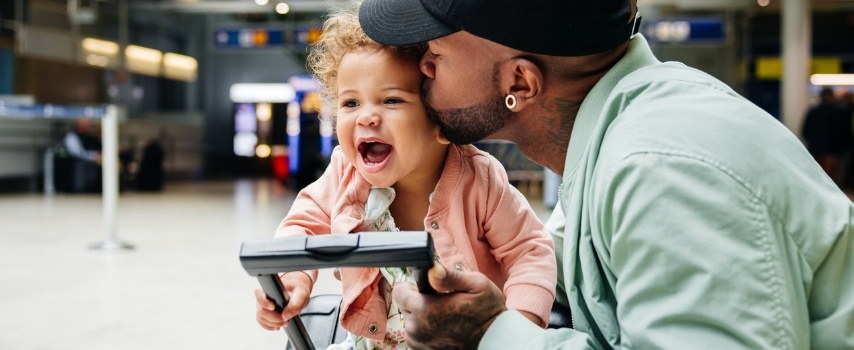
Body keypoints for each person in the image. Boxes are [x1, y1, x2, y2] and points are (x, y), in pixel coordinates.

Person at [358, 0, 854, 349]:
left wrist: (490, 334)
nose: (419, 65)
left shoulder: (662, 170)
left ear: (520, 81)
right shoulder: (617, 139)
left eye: (436, 55)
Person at [253, 2, 557, 349]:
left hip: (464, 341)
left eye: (392, 100)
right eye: (351, 103)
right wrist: (293, 279)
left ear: (439, 119)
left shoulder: (479, 180)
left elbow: (529, 251)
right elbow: (302, 228)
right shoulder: (345, 173)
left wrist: (519, 326)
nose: (366, 117)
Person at [802, 87, 848, 183]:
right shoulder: (837, 112)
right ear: (831, 96)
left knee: (815, 180)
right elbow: (841, 132)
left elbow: (805, 130)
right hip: (831, 152)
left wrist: (813, 142)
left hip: (814, 151)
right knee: (829, 181)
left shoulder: (813, 111)